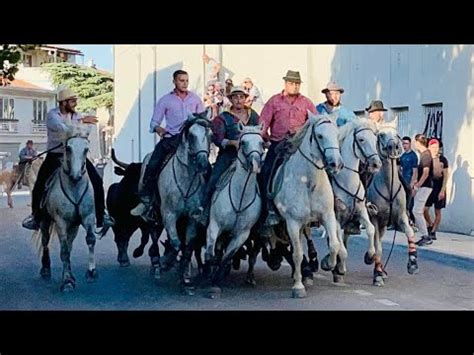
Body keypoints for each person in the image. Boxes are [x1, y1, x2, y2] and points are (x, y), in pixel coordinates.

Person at [22, 89, 114, 235]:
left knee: (96, 180)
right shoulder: (52, 115)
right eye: (72, 101)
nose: (75, 104)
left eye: (75, 101)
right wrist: (81, 123)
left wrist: (82, 124)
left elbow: (85, 131)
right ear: (63, 102)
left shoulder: (77, 115)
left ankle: (102, 215)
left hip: (75, 155)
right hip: (55, 155)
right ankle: (36, 217)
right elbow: (62, 129)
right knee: (40, 184)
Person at [131, 70, 205, 219]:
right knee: (152, 164)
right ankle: (146, 201)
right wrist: (159, 129)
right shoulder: (165, 100)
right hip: (171, 138)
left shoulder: (195, 99)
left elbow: (203, 118)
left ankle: (206, 204)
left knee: (206, 167)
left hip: (190, 141)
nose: (184, 83)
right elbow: (154, 122)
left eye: (186, 80)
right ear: (174, 82)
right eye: (181, 80)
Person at [258, 70, 316, 237]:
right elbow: (263, 124)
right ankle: (267, 212)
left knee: (321, 173)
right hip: (278, 145)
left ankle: (319, 208)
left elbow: (315, 122)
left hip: (301, 147)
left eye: (297, 83)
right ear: (285, 84)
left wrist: (302, 131)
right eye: (291, 83)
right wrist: (267, 138)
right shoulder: (274, 101)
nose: (295, 85)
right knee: (265, 172)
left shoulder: (306, 103)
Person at [198, 86, 260, 225]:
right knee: (214, 178)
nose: (239, 100)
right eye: (235, 97)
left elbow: (260, 131)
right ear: (231, 99)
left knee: (263, 180)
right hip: (229, 155)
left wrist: (264, 142)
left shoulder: (253, 115)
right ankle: (205, 211)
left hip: (249, 156)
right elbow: (217, 138)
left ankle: (264, 217)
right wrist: (231, 142)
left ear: (245, 99)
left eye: (241, 97)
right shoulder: (223, 118)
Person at [424, 138, 449, 241]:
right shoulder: (427, 158)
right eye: (433, 147)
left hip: (439, 187)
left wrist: (442, 190)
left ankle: (433, 231)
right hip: (429, 187)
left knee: (437, 211)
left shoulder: (443, 160)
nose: (435, 149)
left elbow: (446, 176)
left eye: (436, 147)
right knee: (424, 210)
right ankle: (430, 225)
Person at [412, 134, 434, 246]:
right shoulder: (423, 154)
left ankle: (426, 236)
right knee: (417, 210)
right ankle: (425, 234)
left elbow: (425, 173)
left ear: (418, 142)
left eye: (414, 142)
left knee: (416, 211)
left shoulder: (425, 155)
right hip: (424, 186)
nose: (413, 144)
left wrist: (417, 186)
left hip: (425, 186)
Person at [400, 136, 418, 225]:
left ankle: (412, 221)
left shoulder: (413, 156)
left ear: (410, 144)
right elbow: (401, 169)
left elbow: (415, 171)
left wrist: (412, 183)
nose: (404, 145)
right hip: (403, 181)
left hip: (409, 181)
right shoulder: (403, 156)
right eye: (403, 143)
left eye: (406, 143)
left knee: (410, 203)